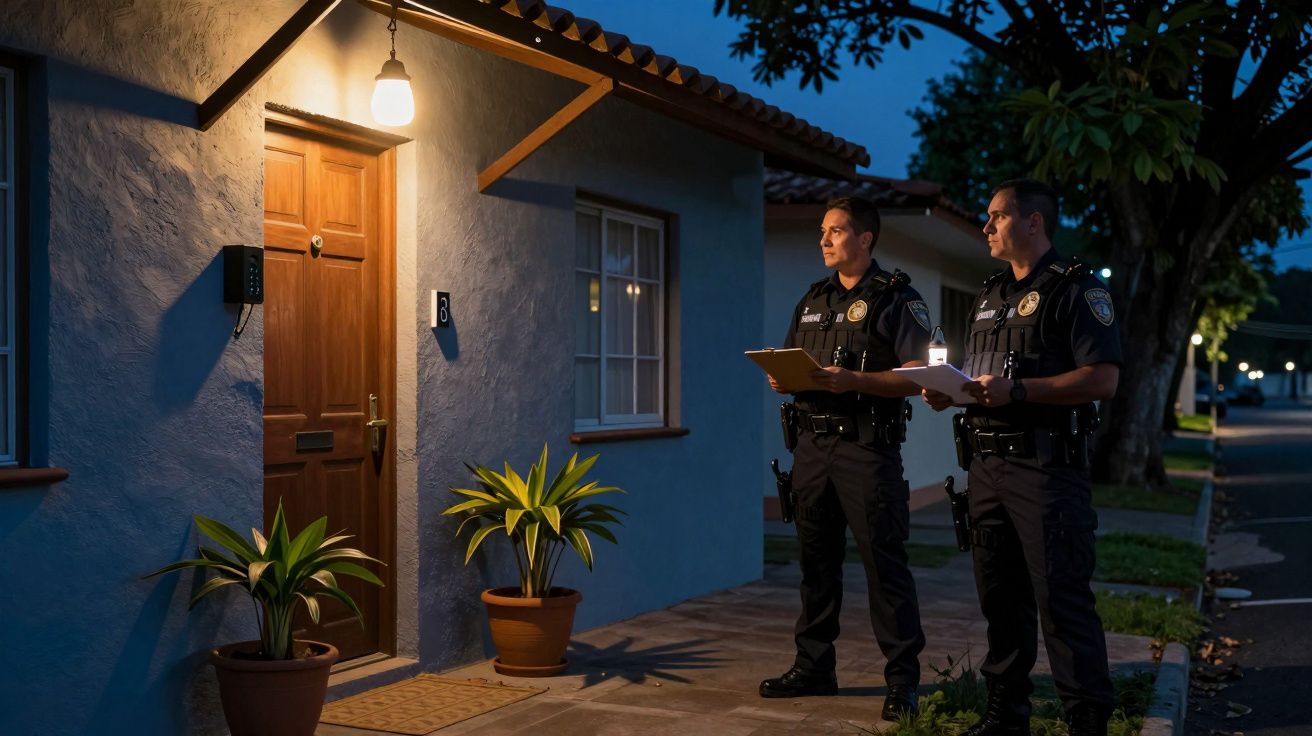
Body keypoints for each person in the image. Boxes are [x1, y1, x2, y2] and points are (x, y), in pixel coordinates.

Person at [922, 179, 1121, 736]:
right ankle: (1006, 714)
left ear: (1034, 223)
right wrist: (950, 390)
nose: (986, 227)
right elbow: (980, 374)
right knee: (1000, 599)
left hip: (1046, 471)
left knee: (1062, 599)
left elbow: (1102, 378)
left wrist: (1020, 392)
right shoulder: (988, 295)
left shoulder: (1076, 289)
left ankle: (1087, 720)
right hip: (985, 469)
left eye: (996, 217)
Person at [760, 196, 928, 721]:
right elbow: (793, 358)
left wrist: (856, 380)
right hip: (811, 450)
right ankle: (814, 668)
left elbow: (918, 373)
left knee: (885, 566)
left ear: (865, 239)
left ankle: (902, 682)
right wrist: (780, 376)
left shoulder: (896, 299)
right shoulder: (812, 299)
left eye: (835, 231)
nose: (824, 240)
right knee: (815, 565)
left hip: (865, 450)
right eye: (822, 231)